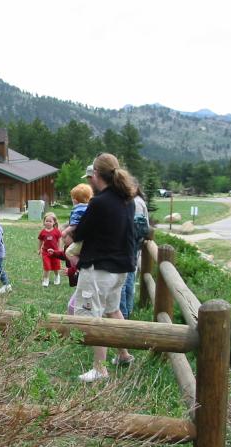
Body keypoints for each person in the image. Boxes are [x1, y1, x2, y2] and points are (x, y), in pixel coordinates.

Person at [72, 153, 137, 383]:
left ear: (96, 174)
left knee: (93, 315)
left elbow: (80, 233)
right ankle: (124, 354)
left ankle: (100, 369)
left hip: (99, 268)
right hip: (121, 269)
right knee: (113, 309)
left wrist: (69, 233)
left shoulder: (99, 202)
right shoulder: (127, 199)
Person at [119, 181, 150, 319]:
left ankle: (125, 314)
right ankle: (128, 311)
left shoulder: (135, 203)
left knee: (125, 282)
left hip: (129, 247)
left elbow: (133, 226)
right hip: (134, 247)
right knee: (129, 280)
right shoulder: (139, 201)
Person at [60, 181, 93, 265]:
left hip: (81, 239)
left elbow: (74, 224)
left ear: (74, 200)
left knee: (69, 252)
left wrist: (65, 232)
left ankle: (80, 266)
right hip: (90, 238)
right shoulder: (90, 207)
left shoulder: (78, 210)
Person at [37, 212, 62, 287]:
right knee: (46, 266)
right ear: (44, 222)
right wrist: (39, 249)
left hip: (55, 252)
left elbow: (60, 240)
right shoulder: (43, 232)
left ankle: (57, 276)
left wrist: (59, 249)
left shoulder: (56, 231)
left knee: (56, 266)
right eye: (46, 221)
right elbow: (40, 241)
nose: (48, 223)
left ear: (54, 222)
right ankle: (46, 279)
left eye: (50, 221)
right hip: (45, 253)